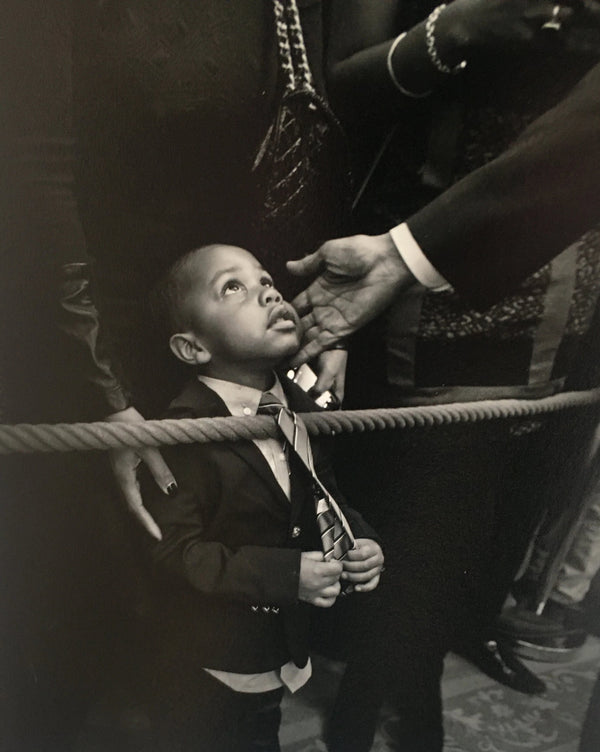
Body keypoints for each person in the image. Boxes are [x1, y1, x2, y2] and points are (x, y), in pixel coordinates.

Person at [1, 1, 349, 746]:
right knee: (102, 644)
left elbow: (304, 131)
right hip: (95, 336)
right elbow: (31, 171)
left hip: (234, 331)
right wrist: (101, 394)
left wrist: (311, 310)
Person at [285, 11, 600, 752]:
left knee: (493, 531)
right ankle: (377, 697)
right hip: (432, 269)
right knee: (425, 523)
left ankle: (400, 678)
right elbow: (335, 92)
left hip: (565, 273)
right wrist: (461, 27)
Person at [137, 243, 383, 751]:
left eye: (266, 280)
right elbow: (173, 554)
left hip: (274, 651)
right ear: (193, 348)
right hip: (207, 661)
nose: (268, 292)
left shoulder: (299, 407)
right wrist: (285, 576)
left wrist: (360, 539)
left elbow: (322, 496)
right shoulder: (182, 433)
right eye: (234, 287)